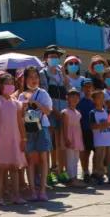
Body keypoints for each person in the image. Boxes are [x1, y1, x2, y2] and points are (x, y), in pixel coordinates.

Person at [0, 71, 25, 205]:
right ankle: (0, 197)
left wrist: (23, 138)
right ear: (0, 85)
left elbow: (20, 122)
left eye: (11, 83)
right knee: (0, 169)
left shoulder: (17, 103)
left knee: (14, 167)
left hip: (14, 139)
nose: (10, 86)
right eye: (7, 84)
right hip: (0, 139)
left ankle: (16, 196)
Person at [18, 66, 52, 200]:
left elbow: (48, 111)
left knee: (43, 159)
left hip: (42, 127)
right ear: (25, 79)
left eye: (36, 77)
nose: (34, 80)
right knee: (30, 160)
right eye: (31, 77)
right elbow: (20, 115)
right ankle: (32, 191)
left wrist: (36, 103)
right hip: (28, 129)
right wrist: (24, 107)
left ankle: (42, 190)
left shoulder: (43, 93)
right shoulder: (21, 95)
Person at [39, 45, 67, 185]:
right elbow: (45, 95)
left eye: (56, 57)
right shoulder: (43, 73)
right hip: (50, 112)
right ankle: (49, 172)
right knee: (49, 142)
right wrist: (55, 111)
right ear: (46, 58)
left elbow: (66, 88)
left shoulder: (61, 73)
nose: (54, 59)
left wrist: (64, 74)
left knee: (60, 142)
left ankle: (60, 170)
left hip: (63, 110)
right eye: (52, 56)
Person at [88, 90, 110, 185]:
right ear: (94, 100)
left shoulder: (107, 111)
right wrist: (103, 124)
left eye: (103, 97)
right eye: (99, 98)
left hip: (109, 140)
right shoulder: (93, 112)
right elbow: (92, 126)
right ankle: (99, 175)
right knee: (99, 158)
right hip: (99, 140)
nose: (102, 100)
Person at [61, 88, 84, 187]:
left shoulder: (78, 113)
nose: (75, 99)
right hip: (69, 138)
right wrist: (66, 138)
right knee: (70, 159)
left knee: (75, 158)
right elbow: (65, 126)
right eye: (72, 97)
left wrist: (81, 139)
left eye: (77, 97)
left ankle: (75, 177)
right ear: (67, 98)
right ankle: (70, 179)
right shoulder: (65, 112)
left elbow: (79, 126)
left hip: (77, 138)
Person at [76, 78, 95, 182]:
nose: (88, 88)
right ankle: (85, 171)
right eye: (86, 86)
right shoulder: (79, 102)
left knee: (97, 152)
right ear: (82, 88)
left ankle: (96, 171)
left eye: (90, 86)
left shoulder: (96, 100)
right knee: (85, 152)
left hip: (96, 131)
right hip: (84, 130)